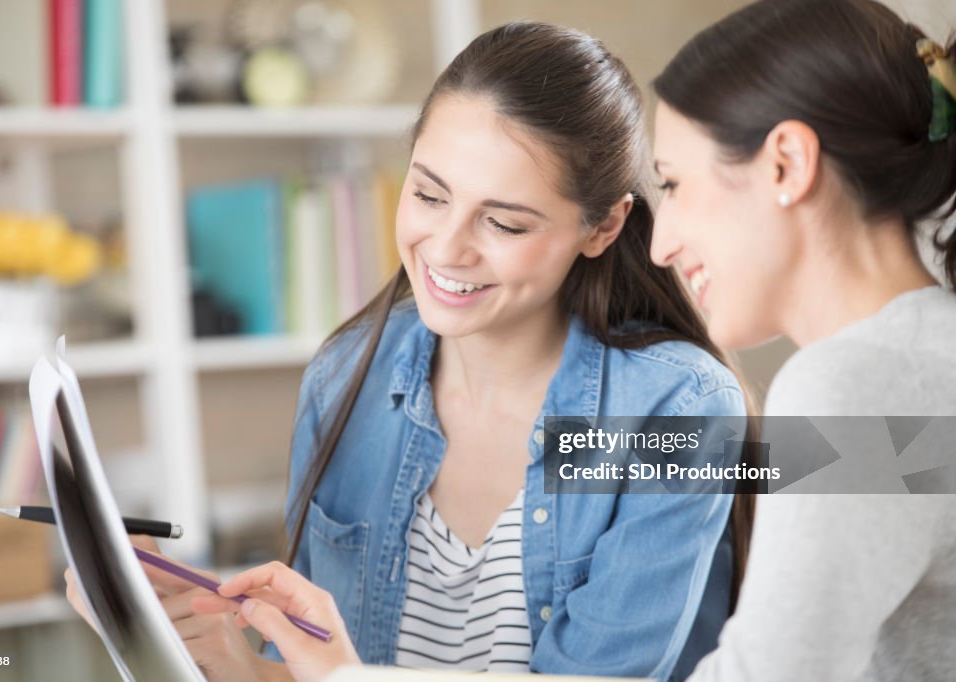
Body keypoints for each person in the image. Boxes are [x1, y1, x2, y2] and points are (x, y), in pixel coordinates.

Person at [70, 21, 752, 682]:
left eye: (503, 221)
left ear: (603, 227)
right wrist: (216, 650)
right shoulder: (346, 379)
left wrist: (345, 678)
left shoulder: (676, 412)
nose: (447, 247)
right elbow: (310, 666)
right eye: (428, 193)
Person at [645, 0, 956, 680]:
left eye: (673, 184)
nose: (661, 245)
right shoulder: (922, 361)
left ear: (786, 162)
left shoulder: (861, 384)